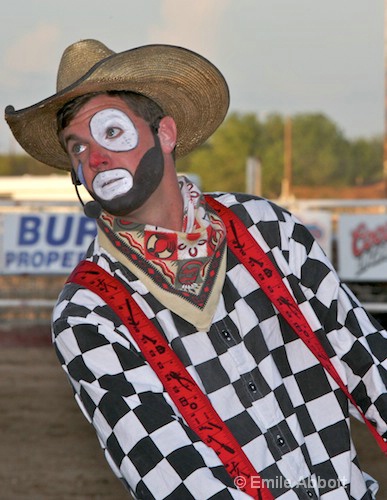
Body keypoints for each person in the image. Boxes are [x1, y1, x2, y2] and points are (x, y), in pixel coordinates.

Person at [5, 39, 387, 500]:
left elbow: (366, 358)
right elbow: (172, 474)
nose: (94, 157)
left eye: (110, 132)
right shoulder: (89, 314)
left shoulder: (267, 228)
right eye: (77, 147)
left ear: (165, 134)